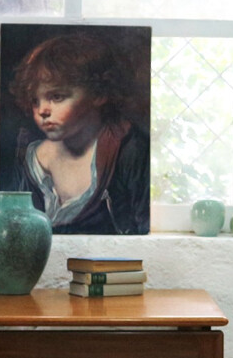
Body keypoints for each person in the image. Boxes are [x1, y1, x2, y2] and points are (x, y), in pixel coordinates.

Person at [8, 31, 150, 234]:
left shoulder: (130, 150)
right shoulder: (31, 156)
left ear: (98, 93)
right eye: (35, 101)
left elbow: (141, 231)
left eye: (56, 97)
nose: (42, 111)